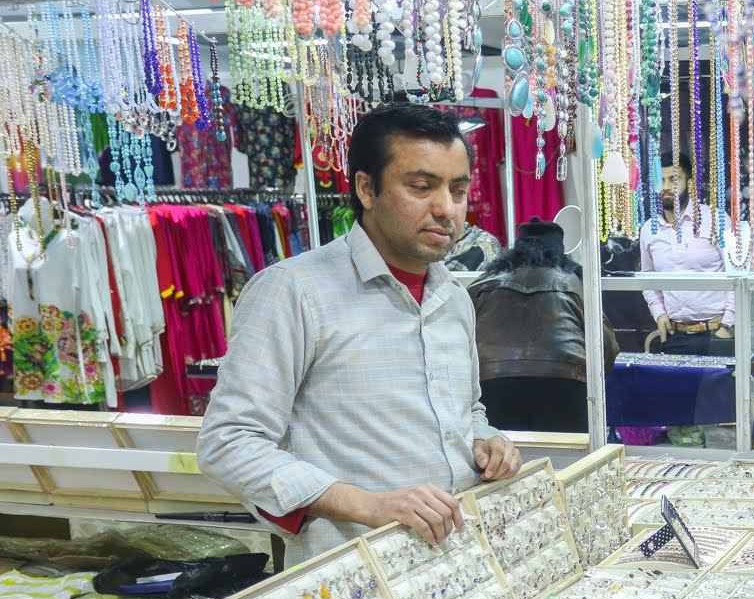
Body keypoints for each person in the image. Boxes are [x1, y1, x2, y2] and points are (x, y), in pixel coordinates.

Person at [197, 102, 521, 565]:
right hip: (352, 575)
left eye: (458, 190)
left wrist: (486, 442)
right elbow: (228, 443)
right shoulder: (294, 292)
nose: (446, 209)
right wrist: (369, 505)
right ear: (367, 189)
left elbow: (467, 411)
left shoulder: (454, 298)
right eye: (422, 187)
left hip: (459, 565)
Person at [468, 217, 618, 432]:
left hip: (492, 382)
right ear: (560, 251)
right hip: (565, 383)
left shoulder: (483, 283)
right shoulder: (576, 283)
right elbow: (605, 349)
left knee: (502, 452)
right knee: (572, 453)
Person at [638, 154, 747, 356]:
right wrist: (659, 313)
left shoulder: (715, 220)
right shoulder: (649, 230)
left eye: (673, 179)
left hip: (718, 333)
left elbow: (739, 275)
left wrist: (727, 326)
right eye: (661, 180)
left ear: (689, 183)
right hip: (675, 335)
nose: (666, 187)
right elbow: (648, 279)